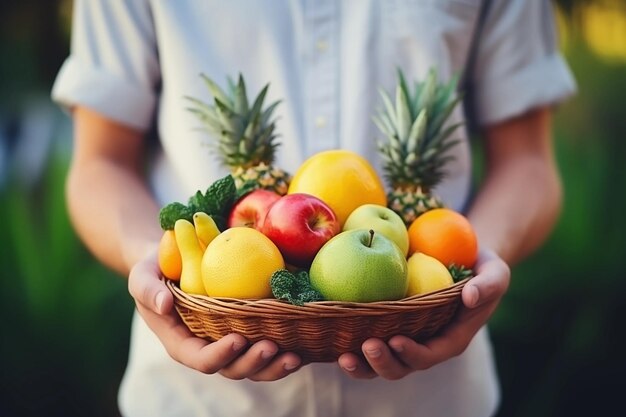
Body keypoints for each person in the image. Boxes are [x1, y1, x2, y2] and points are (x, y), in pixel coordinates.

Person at [52, 1, 576, 416]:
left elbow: (528, 163)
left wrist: (479, 264)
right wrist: (150, 259)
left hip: (431, 399)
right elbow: (100, 164)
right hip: (197, 400)